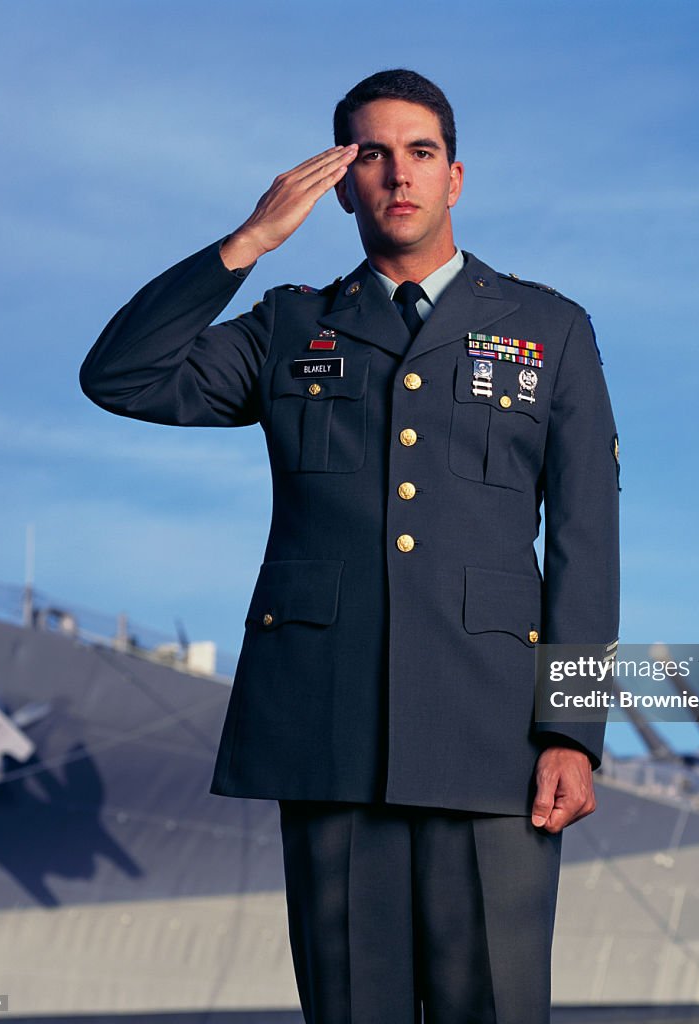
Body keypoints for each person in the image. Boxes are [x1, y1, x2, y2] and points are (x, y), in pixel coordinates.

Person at [81, 69, 619, 1024]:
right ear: (339, 183)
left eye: (420, 154)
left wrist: (572, 733)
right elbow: (120, 376)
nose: (397, 176)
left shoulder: (549, 330)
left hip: (491, 738)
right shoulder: (289, 326)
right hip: (329, 730)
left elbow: (586, 541)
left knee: (493, 1007)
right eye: (371, 155)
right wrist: (244, 245)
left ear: (456, 177)